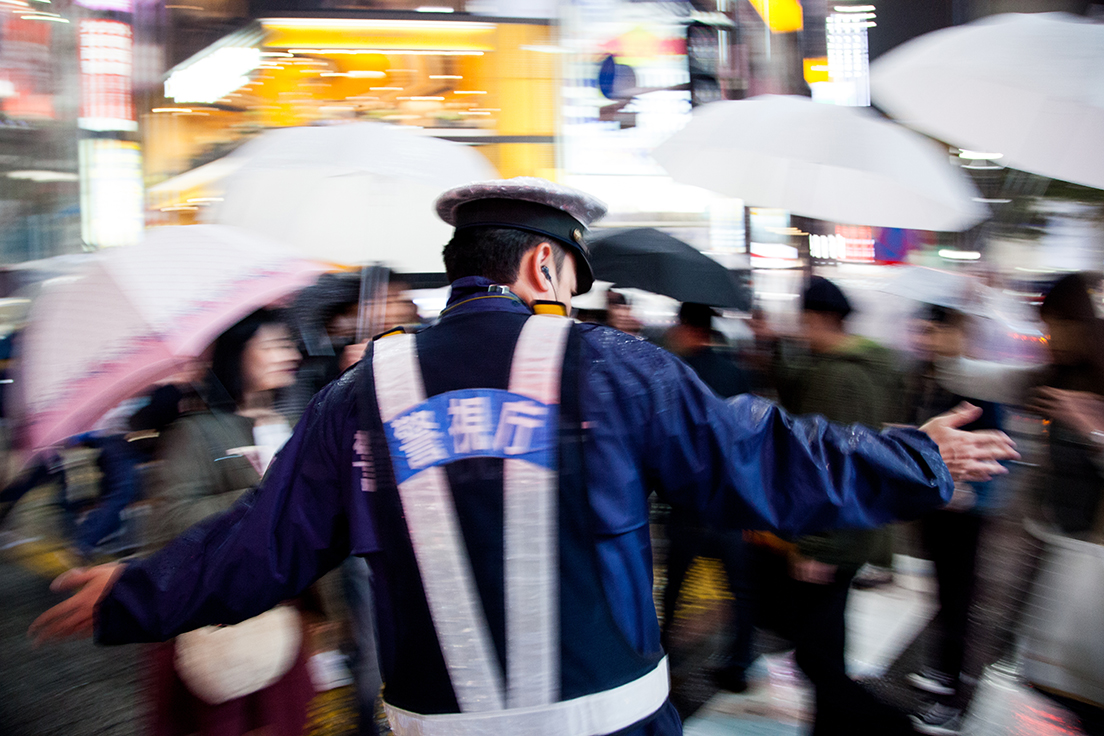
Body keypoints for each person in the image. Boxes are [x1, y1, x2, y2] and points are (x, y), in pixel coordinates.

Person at [31, 177, 1017, 736]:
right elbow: (766, 459)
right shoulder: (617, 370)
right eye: (576, 277)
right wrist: (914, 456)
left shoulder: (361, 392)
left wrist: (133, 591)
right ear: (546, 265)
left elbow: (265, 543)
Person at [752, 276, 914, 735]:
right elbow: (802, 401)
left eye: (801, 322)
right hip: (849, 526)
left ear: (819, 318)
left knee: (814, 655)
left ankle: (893, 727)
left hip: (838, 533)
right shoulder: (845, 365)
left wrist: (819, 545)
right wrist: (775, 349)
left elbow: (833, 463)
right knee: (824, 648)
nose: (798, 331)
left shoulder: (841, 375)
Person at [144, 308, 314, 736]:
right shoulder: (194, 432)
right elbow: (170, 519)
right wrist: (257, 495)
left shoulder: (292, 424)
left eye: (288, 344)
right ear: (238, 354)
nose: (288, 353)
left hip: (281, 617)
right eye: (273, 344)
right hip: (216, 624)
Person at [903, 305, 1004, 736]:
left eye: (934, 333)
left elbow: (998, 446)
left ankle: (953, 698)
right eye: (922, 333)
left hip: (965, 511)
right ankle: (942, 672)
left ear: (956, 335)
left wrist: (974, 494)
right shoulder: (929, 377)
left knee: (960, 602)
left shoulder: (979, 382)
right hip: (936, 508)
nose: (926, 341)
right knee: (942, 596)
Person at [659, 301, 754, 692]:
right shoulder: (737, 372)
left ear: (688, 328)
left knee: (676, 584)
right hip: (730, 499)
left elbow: (666, 436)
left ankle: (668, 656)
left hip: (688, 500)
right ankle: (739, 663)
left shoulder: (673, 373)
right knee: (741, 588)